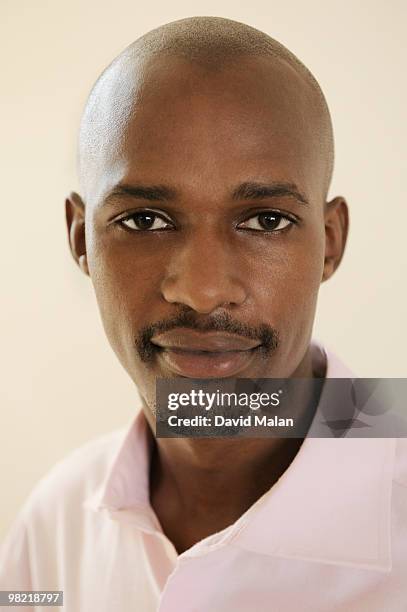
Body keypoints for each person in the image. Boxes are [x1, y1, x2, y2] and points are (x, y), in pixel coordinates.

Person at [1, 16, 405, 611]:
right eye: (145, 221)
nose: (203, 290)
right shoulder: (55, 523)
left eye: (266, 220)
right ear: (81, 239)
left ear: (330, 241)